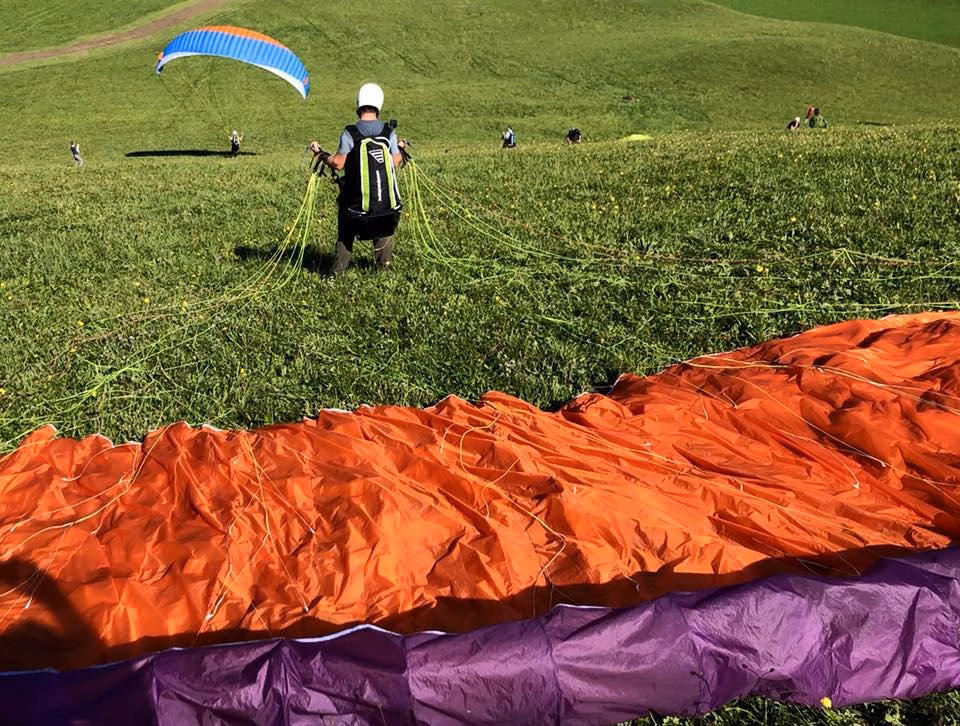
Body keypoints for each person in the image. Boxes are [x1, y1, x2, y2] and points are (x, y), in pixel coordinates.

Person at [309, 83, 408, 276]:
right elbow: (396, 161)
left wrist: (321, 154)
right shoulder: (389, 133)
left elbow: (338, 163)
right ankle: (384, 266)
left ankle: (337, 271)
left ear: (359, 103)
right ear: (378, 104)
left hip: (356, 211)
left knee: (345, 229)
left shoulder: (350, 132)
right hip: (386, 209)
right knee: (383, 222)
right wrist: (401, 146)